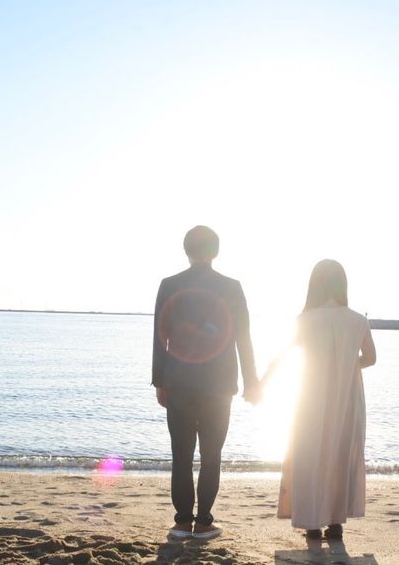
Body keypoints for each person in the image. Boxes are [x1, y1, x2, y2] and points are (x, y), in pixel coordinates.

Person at [152, 226, 259, 541]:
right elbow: (243, 338)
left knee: (181, 454)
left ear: (186, 250)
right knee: (212, 455)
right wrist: (251, 381)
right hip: (219, 384)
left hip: (178, 381)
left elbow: (160, 337)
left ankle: (182, 522)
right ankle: (203, 523)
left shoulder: (170, 284)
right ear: (216, 251)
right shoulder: (231, 287)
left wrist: (159, 380)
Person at [261, 259, 376, 540]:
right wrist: (346, 366)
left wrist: (261, 384)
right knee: (340, 455)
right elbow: (371, 358)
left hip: (311, 397)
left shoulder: (304, 320)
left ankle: (311, 523)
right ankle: (336, 523)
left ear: (314, 285)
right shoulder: (358, 320)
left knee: (309, 456)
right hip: (347, 399)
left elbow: (282, 356)